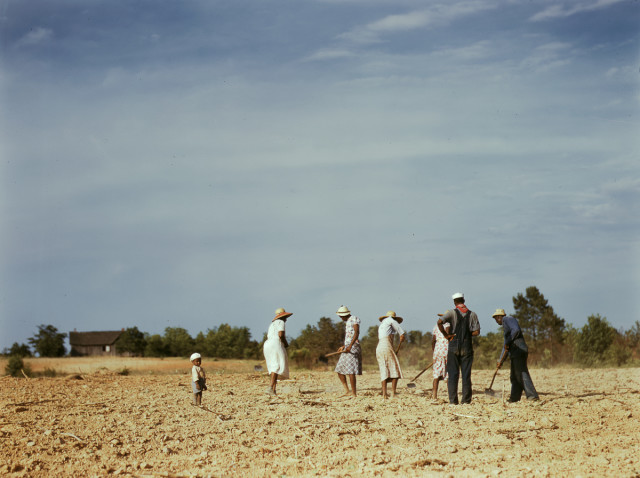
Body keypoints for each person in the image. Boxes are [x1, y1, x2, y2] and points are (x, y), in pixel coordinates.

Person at [437, 292, 480, 405]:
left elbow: (439, 322)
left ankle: (453, 401)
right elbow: (477, 332)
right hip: (467, 346)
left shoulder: (451, 313)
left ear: (455, 302)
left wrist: (446, 336)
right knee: (466, 374)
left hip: (453, 346)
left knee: (453, 374)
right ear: (464, 300)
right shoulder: (473, 314)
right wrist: (467, 334)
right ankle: (465, 400)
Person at [492, 309, 540, 402]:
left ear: (499, 317)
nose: (496, 321)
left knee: (521, 373)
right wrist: (500, 361)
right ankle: (514, 398)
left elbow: (516, 330)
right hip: (514, 353)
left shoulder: (507, 319)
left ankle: (532, 396)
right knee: (514, 376)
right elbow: (505, 347)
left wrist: (509, 341)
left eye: (495, 319)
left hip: (519, 350)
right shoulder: (506, 328)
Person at [376, 311, 406, 400]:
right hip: (386, 346)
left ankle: (384, 394)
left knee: (384, 369)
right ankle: (393, 393)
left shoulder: (382, 325)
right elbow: (401, 333)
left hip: (380, 348)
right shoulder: (391, 320)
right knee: (394, 368)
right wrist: (402, 336)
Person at [333, 305, 362, 397]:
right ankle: (347, 391)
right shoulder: (348, 321)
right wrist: (344, 346)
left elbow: (356, 333)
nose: (340, 318)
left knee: (350, 371)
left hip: (353, 347)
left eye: (341, 316)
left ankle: (354, 394)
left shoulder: (354, 319)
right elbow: (350, 336)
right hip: (348, 346)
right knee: (339, 369)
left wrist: (350, 346)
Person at [263, 307, 292, 395]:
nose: (286, 319)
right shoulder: (281, 322)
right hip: (276, 343)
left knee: (273, 366)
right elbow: (281, 335)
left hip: (267, 344)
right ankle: (270, 387)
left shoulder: (271, 324)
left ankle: (273, 390)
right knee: (277, 365)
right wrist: (286, 343)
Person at [431, 319, 451, 401]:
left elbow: (433, 341)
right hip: (446, 349)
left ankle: (434, 395)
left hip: (437, 350)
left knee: (436, 374)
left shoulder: (435, 327)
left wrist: (435, 352)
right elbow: (447, 336)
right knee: (448, 373)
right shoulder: (448, 325)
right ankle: (450, 395)